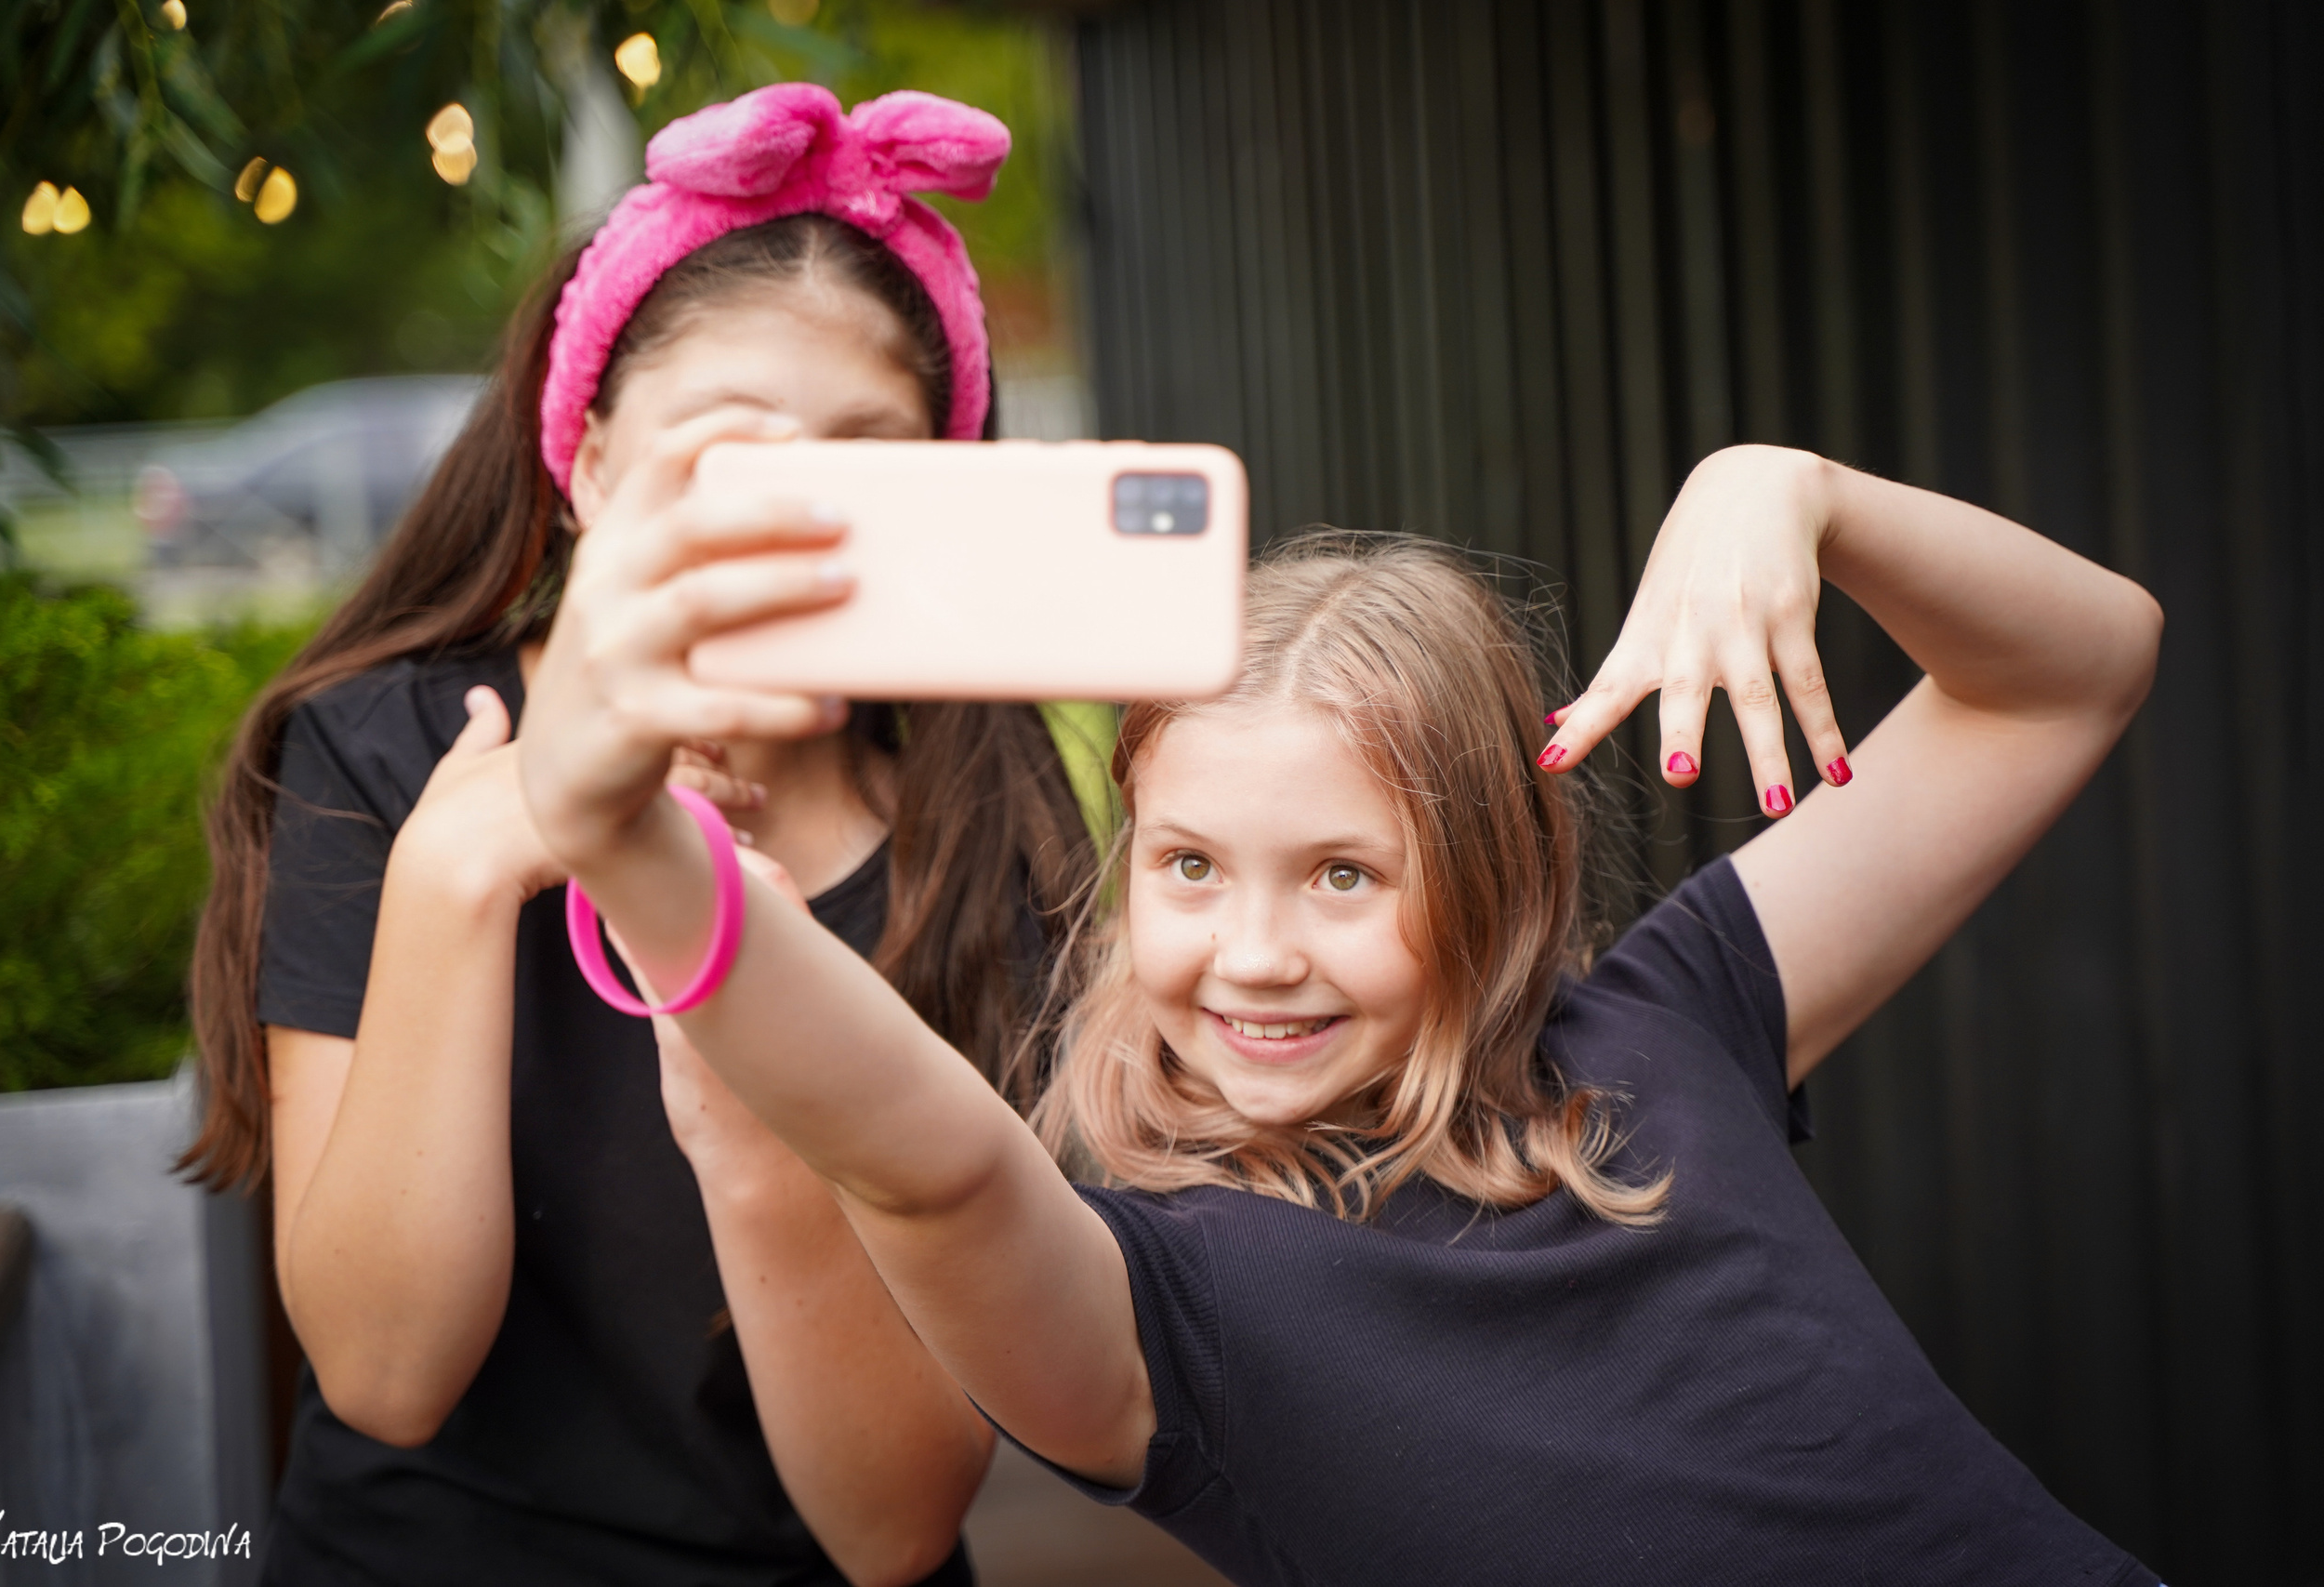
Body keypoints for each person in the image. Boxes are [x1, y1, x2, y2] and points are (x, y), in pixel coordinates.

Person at [514, 443, 2168, 1585]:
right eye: (1187, 865)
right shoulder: (1156, 1306)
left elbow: (2077, 669)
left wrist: (1792, 491)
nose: (1252, 952)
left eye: (1341, 877)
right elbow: (925, 1164)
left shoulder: (1674, 1012)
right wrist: (635, 849)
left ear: (1491, 872)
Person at [183, 85, 1100, 1587]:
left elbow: (893, 1527)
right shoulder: (382, 751)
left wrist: (755, 1083)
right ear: (592, 462)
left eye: (863, 470)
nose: (789, 532)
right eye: (726, 465)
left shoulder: (977, 846)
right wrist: (462, 869)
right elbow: (383, 1371)